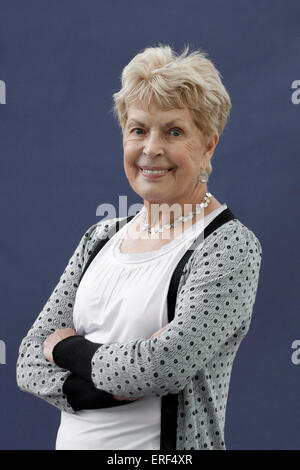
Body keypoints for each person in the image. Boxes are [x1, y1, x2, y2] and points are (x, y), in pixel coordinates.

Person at [16, 43, 262, 450]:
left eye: (174, 131)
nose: (151, 149)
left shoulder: (228, 246)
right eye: (138, 130)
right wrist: (112, 385)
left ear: (208, 147)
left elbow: (164, 366)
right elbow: (27, 362)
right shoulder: (99, 239)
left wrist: (64, 348)